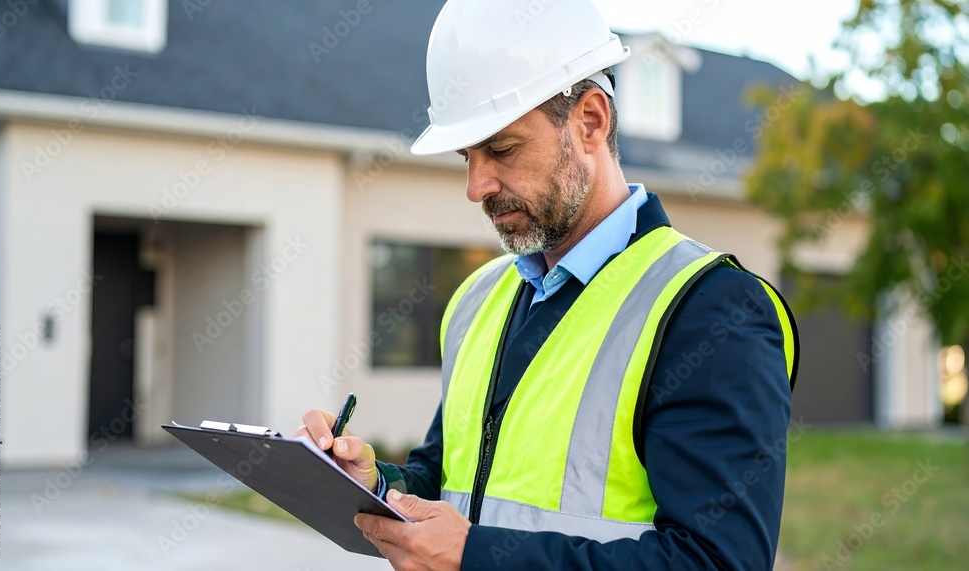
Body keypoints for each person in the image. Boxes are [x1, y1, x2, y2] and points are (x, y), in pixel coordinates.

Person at [297, 1, 799, 569]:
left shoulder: (711, 311)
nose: (476, 185)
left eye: (502, 149)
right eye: (467, 156)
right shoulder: (476, 301)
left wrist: (480, 557)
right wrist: (378, 485)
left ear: (590, 120)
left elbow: (716, 561)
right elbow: (452, 481)